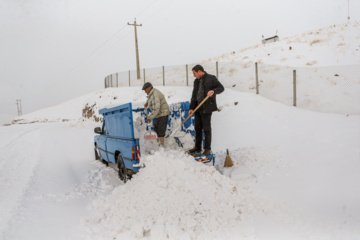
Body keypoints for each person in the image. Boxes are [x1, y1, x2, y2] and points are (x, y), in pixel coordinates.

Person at [188, 65, 224, 156]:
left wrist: (213, 91)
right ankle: (198, 147)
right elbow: (194, 96)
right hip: (197, 108)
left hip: (207, 108)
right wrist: (191, 108)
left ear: (200, 71)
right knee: (198, 129)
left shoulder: (211, 78)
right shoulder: (196, 81)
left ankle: (207, 149)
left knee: (207, 129)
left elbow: (221, 88)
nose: (194, 75)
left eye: (194, 73)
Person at [142, 82, 170, 147]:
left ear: (149, 88)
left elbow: (156, 109)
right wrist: (147, 102)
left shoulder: (155, 94)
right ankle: (158, 145)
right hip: (159, 114)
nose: (145, 91)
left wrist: (150, 118)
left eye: (145, 90)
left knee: (160, 131)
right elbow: (151, 98)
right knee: (156, 129)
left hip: (163, 113)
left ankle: (161, 147)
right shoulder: (152, 93)